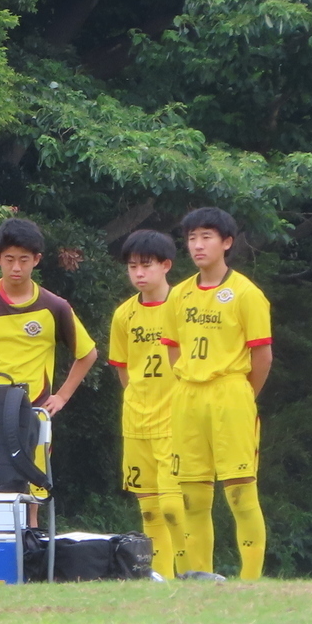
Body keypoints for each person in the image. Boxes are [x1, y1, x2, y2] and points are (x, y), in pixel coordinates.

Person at [161, 208, 270, 581]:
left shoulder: (246, 293)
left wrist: (243, 394)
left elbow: (262, 354)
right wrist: (186, 378)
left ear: (227, 242)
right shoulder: (178, 295)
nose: (197, 245)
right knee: (193, 497)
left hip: (231, 393)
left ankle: (250, 579)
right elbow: (173, 347)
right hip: (188, 395)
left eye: (206, 237)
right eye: (191, 238)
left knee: (240, 493)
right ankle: (199, 578)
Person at [0, 219, 96, 415]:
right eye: (9, 259)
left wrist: (62, 396)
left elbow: (88, 353)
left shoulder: (55, 306)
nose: (16, 267)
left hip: (34, 411)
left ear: (36, 259)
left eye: (24, 260)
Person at [106, 229, 185, 578]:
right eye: (133, 266)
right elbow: (123, 369)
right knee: (150, 510)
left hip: (176, 420)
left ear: (166, 265)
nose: (139, 273)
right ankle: (160, 577)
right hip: (137, 421)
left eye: (146, 266)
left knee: (173, 506)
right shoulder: (124, 315)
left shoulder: (183, 305)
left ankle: (190, 570)